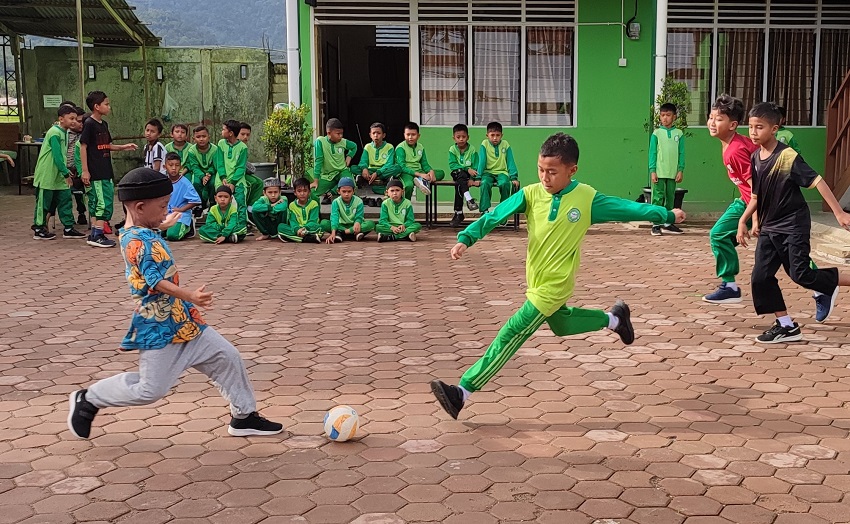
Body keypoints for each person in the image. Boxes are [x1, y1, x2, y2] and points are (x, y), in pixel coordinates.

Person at [430, 132, 686, 419]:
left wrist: (666, 214)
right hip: (535, 282)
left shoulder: (586, 198)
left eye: (552, 172)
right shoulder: (531, 194)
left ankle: (462, 392)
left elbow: (628, 208)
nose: (544, 177)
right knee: (562, 325)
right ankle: (615, 319)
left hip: (555, 285)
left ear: (572, 170)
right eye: (540, 169)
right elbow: (496, 215)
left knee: (512, 332)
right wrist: (467, 237)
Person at [67, 167, 283, 440]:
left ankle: (244, 416)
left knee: (227, 357)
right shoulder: (137, 242)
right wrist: (191, 295)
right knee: (150, 390)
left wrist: (162, 224)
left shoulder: (142, 229)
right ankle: (88, 399)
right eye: (163, 206)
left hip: (183, 319)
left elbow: (148, 232)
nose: (166, 209)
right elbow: (155, 281)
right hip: (159, 325)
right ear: (140, 207)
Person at [736, 102, 850, 342]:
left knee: (801, 274)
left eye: (760, 127)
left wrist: (838, 212)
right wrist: (747, 220)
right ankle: (786, 325)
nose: (753, 132)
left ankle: (832, 284)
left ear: (774, 128)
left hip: (793, 225)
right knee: (760, 277)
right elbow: (756, 195)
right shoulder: (756, 157)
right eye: (751, 127)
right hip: (769, 227)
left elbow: (817, 180)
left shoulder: (787, 156)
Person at [702, 94, 760, 304]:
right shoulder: (729, 143)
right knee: (719, 235)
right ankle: (730, 286)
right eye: (711, 117)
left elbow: (757, 187)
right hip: (747, 200)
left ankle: (820, 283)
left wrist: (753, 219)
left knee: (788, 250)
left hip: (761, 203)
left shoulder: (735, 150)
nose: (712, 123)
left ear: (733, 124)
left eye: (718, 119)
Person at [79, 90, 138, 248]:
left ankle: (96, 232)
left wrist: (124, 147)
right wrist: (85, 170)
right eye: (106, 104)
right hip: (96, 172)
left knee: (107, 201)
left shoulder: (103, 124)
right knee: (101, 203)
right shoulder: (89, 124)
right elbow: (83, 146)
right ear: (97, 106)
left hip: (106, 170)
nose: (109, 107)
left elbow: (107, 145)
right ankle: (97, 234)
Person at [31, 105, 87, 240]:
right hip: (48, 174)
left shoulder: (65, 132)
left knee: (65, 199)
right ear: (61, 119)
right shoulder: (54, 133)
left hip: (60, 174)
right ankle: (39, 228)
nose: (74, 121)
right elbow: (56, 156)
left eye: (75, 118)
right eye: (71, 118)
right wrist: (66, 173)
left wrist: (64, 172)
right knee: (44, 202)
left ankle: (68, 228)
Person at [648, 102, 685, 236]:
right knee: (658, 198)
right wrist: (652, 170)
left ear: (674, 117)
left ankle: (668, 223)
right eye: (663, 115)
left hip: (673, 173)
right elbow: (652, 153)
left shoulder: (679, 134)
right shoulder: (656, 133)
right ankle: (656, 224)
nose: (665, 118)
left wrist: (680, 169)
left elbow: (682, 153)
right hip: (659, 172)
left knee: (671, 198)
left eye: (668, 115)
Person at [476, 121, 519, 216]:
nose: (495, 138)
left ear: (502, 135)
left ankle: (503, 211)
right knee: (485, 183)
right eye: (492, 135)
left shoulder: (505, 144)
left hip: (502, 172)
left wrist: (514, 177)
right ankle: (484, 211)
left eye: (498, 135)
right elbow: (482, 161)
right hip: (488, 172)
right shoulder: (484, 144)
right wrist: (478, 177)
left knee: (505, 184)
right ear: (487, 135)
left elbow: (510, 161)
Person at [214, 120, 249, 234]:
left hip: (238, 181)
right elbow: (220, 162)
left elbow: (240, 167)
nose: (222, 131)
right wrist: (223, 177)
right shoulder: (221, 144)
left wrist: (233, 182)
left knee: (240, 203)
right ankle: (221, 228)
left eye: (224, 129)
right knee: (221, 203)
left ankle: (241, 228)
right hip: (221, 180)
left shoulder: (243, 147)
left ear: (231, 133)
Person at [312, 118, 357, 204]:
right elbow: (318, 160)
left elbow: (354, 146)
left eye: (341, 133)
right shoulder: (320, 141)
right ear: (329, 133)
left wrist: (349, 156)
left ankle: (332, 192)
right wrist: (316, 180)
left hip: (342, 172)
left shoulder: (343, 142)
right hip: (327, 176)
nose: (340, 136)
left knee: (350, 186)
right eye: (338, 134)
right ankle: (316, 214)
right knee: (312, 192)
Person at [356, 122, 399, 203]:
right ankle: (369, 178)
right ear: (370, 135)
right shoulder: (367, 146)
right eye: (374, 133)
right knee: (353, 168)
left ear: (383, 135)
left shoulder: (389, 147)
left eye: (378, 133)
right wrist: (364, 169)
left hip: (383, 171)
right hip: (370, 170)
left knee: (397, 168)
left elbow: (389, 163)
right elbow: (363, 161)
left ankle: (373, 179)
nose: (376, 135)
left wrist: (378, 173)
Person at [322, 177, 374, 243]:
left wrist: (357, 223)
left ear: (353, 191)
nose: (346, 194)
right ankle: (353, 235)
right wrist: (333, 232)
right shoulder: (336, 202)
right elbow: (334, 217)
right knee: (323, 223)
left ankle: (341, 234)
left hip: (354, 226)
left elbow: (359, 216)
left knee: (371, 224)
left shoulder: (359, 201)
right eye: (344, 191)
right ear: (338, 191)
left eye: (349, 191)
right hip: (341, 226)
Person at [164, 152, 201, 241]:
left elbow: (196, 200)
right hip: (166, 215)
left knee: (172, 235)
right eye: (170, 165)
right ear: (165, 167)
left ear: (180, 167)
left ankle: (189, 227)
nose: (174, 168)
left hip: (180, 215)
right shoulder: (163, 181)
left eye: (177, 165)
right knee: (154, 232)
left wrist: (181, 209)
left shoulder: (185, 183)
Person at [448, 123, 480, 227]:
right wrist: (466, 168)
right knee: (460, 175)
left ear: (468, 137)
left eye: (463, 137)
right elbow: (453, 165)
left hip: (466, 176)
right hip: (457, 172)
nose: (461, 139)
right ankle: (469, 198)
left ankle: (458, 213)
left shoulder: (472, 150)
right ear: (454, 138)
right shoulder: (452, 149)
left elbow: (475, 166)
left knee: (459, 185)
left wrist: (471, 178)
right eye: (458, 137)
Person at [395, 121, 437, 199]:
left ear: (418, 136)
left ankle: (421, 180)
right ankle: (407, 205)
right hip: (406, 173)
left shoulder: (421, 147)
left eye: (413, 135)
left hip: (419, 171)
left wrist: (430, 171)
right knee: (409, 186)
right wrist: (420, 175)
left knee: (440, 173)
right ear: (404, 135)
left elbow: (424, 164)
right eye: (408, 135)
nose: (410, 137)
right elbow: (402, 167)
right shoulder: (400, 148)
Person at [280, 177, 324, 243]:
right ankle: (308, 238)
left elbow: (313, 220)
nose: (302, 193)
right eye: (299, 191)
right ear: (295, 192)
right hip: (298, 229)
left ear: (309, 192)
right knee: (280, 227)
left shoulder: (314, 204)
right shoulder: (292, 205)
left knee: (321, 227)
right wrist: (297, 229)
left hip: (310, 228)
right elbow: (292, 221)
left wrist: (305, 228)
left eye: (305, 191)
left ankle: (293, 238)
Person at [377, 178, 422, 242]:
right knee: (378, 227)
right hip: (390, 227)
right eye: (392, 191)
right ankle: (406, 236)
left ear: (402, 191)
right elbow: (383, 220)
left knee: (417, 226)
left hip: (403, 227)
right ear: (387, 193)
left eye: (397, 190)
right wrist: (391, 227)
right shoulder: (385, 203)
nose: (395, 193)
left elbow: (410, 220)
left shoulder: (407, 203)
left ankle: (392, 237)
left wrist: (404, 225)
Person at [186, 125, 218, 212]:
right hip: (198, 172)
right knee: (196, 183)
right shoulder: (192, 150)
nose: (201, 139)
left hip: (211, 172)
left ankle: (212, 203)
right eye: (198, 137)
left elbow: (215, 164)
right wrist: (202, 176)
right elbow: (194, 166)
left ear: (209, 137)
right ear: (193, 139)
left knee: (212, 184)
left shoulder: (215, 149)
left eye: (204, 136)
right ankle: (199, 204)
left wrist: (209, 173)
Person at [65, 107, 88, 226]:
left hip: (81, 170)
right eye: (78, 121)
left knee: (80, 193)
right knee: (65, 196)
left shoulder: (85, 135)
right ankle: (68, 220)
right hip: (66, 170)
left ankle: (81, 213)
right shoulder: (64, 134)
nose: (81, 124)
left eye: (83, 121)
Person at [238, 122, 265, 213]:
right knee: (252, 182)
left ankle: (252, 206)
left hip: (243, 172)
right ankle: (244, 207)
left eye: (248, 135)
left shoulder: (244, 146)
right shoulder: (235, 146)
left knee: (260, 182)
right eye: (242, 134)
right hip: (236, 174)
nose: (245, 137)